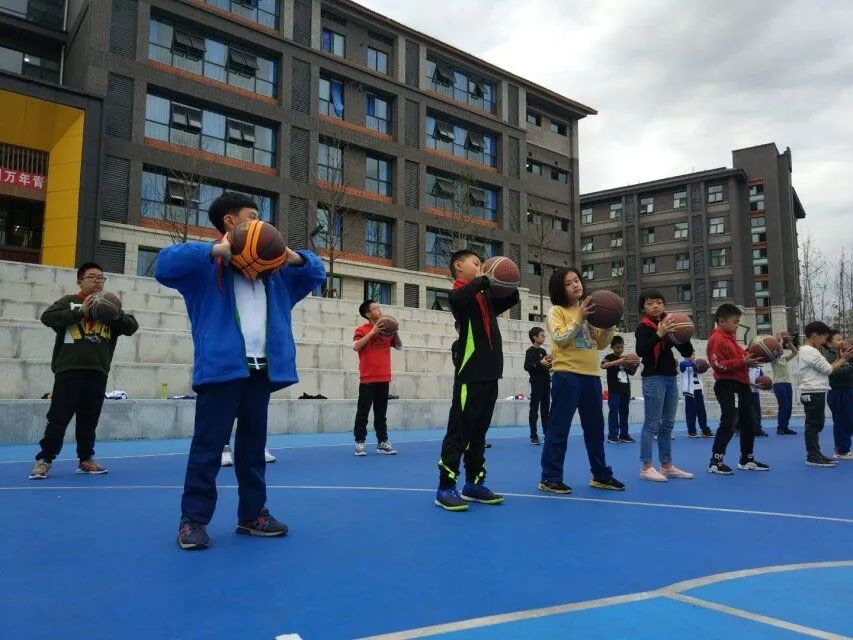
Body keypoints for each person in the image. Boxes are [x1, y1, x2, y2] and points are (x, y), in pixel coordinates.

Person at [155, 192, 326, 550]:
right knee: (208, 448)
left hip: (261, 372)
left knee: (253, 449)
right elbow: (164, 264)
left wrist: (290, 254)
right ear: (230, 222)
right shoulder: (203, 269)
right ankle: (193, 519)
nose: (260, 223)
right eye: (252, 216)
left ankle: (252, 515)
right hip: (221, 371)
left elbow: (316, 272)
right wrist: (215, 250)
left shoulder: (276, 274)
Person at [28, 263, 139, 480]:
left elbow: (131, 327)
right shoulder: (69, 301)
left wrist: (116, 316)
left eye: (101, 277)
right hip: (69, 369)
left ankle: (86, 459)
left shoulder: (109, 306)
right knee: (59, 417)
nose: (97, 281)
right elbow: (47, 317)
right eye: (92, 277)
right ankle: (45, 459)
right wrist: (81, 312)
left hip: (97, 370)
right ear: (80, 281)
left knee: (89, 419)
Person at [434, 250, 518, 511]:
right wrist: (483, 281)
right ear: (459, 266)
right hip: (470, 373)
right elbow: (459, 298)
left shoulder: (483, 296)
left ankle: (474, 483)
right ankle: (445, 487)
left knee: (479, 433)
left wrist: (509, 282)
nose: (482, 267)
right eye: (476, 263)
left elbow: (509, 299)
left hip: (490, 372)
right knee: (459, 431)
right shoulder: (460, 295)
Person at [538, 268, 625, 494]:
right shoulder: (557, 311)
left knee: (595, 429)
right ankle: (550, 477)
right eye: (568, 284)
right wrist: (579, 317)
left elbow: (601, 343)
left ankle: (601, 475)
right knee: (559, 428)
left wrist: (611, 323)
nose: (575, 285)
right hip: (566, 375)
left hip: (591, 377)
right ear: (560, 289)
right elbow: (560, 337)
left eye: (576, 280)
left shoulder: (592, 313)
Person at [634, 290, 695, 481]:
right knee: (652, 423)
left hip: (670, 377)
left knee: (668, 424)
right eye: (650, 303)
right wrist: (659, 334)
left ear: (664, 305)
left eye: (659, 302)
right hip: (653, 378)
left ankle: (666, 465)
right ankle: (646, 467)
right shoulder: (644, 327)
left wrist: (682, 333)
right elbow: (641, 350)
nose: (655, 306)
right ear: (643, 308)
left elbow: (686, 351)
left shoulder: (670, 324)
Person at [706, 304, 770, 475]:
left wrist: (756, 357)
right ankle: (715, 461)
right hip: (727, 386)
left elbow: (744, 359)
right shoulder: (717, 339)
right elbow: (717, 364)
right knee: (729, 421)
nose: (737, 325)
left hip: (742, 385)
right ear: (721, 321)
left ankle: (746, 459)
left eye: (738, 322)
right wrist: (743, 362)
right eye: (734, 322)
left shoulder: (732, 340)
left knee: (749, 422)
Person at [797, 321, 852, 467]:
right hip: (813, 391)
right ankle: (813, 456)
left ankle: (815, 454)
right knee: (813, 425)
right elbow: (828, 370)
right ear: (815, 335)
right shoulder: (809, 351)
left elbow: (827, 368)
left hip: (816, 391)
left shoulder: (810, 351)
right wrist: (844, 359)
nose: (824, 341)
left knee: (816, 425)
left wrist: (841, 358)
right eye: (823, 338)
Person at [352, 299, 401, 456]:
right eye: (375, 308)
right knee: (363, 412)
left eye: (379, 307)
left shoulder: (386, 330)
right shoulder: (362, 329)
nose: (379, 309)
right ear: (368, 314)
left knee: (381, 414)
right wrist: (373, 332)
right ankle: (360, 441)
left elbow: (399, 346)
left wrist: (395, 331)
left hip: (384, 377)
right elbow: (356, 346)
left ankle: (382, 442)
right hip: (367, 377)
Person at [602, 335, 635, 444]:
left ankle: (624, 435)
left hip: (625, 390)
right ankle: (612, 435)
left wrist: (634, 364)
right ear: (612, 347)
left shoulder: (626, 358)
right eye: (617, 347)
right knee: (614, 412)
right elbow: (603, 365)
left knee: (624, 413)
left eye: (622, 347)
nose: (620, 349)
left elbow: (631, 372)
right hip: (614, 391)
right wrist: (618, 361)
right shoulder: (610, 356)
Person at [825, 330, 853, 460]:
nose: (842, 341)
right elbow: (836, 373)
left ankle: (843, 447)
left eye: (842, 339)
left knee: (848, 421)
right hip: (838, 392)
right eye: (838, 339)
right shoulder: (829, 357)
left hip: (848, 391)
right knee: (842, 421)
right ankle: (841, 451)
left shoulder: (845, 355)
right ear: (829, 344)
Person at [524, 326, 552, 445]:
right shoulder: (530, 351)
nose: (544, 337)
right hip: (536, 384)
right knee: (534, 409)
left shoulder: (543, 351)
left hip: (546, 382)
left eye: (544, 335)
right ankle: (533, 436)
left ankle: (547, 433)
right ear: (535, 337)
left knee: (546, 410)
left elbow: (547, 367)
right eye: (542, 335)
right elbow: (527, 366)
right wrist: (540, 363)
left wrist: (550, 364)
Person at [771, 334, 798, 435]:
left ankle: (785, 427)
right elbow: (778, 350)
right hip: (778, 384)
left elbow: (795, 352)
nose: (781, 350)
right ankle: (780, 428)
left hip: (787, 384)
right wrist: (781, 341)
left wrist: (789, 342)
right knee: (784, 406)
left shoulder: (784, 359)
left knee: (789, 407)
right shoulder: (773, 358)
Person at [679, 359, 713, 438]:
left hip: (699, 390)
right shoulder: (683, 364)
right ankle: (691, 431)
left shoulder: (698, 364)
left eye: (693, 354)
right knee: (691, 412)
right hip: (690, 391)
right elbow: (682, 365)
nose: (692, 356)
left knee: (702, 411)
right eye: (691, 354)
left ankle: (704, 430)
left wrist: (706, 366)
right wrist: (693, 364)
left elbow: (703, 368)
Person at [748, 366, 769, 437]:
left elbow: (763, 380)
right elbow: (744, 379)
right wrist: (754, 385)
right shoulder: (745, 367)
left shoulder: (758, 369)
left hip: (755, 392)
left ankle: (758, 429)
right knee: (747, 412)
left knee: (757, 412)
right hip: (745, 392)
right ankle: (739, 427)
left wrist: (767, 386)